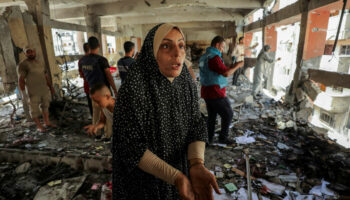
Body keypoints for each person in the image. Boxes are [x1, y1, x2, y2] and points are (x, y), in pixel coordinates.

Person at [112, 23, 220, 200]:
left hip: (179, 176)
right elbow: (131, 148)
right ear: (152, 51)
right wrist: (176, 177)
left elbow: (196, 122)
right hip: (143, 184)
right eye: (166, 46)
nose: (177, 53)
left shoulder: (185, 80)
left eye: (181, 45)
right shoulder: (135, 86)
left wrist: (196, 164)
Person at [199, 36, 244, 145]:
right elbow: (226, 73)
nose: (223, 49)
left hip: (206, 91)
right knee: (228, 113)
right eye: (223, 47)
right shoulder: (214, 57)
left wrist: (231, 66)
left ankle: (208, 139)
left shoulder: (204, 57)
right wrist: (237, 66)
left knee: (212, 116)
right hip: (215, 92)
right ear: (217, 45)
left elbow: (219, 69)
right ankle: (222, 138)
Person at [80, 36, 117, 137]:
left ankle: (97, 134)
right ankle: (107, 135)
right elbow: (109, 76)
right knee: (105, 113)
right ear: (99, 46)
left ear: (88, 46)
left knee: (96, 112)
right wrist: (114, 89)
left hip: (92, 90)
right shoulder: (101, 60)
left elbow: (82, 75)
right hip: (102, 91)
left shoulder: (82, 61)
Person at [17, 46, 56, 132]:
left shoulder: (40, 63)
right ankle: (39, 126)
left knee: (45, 106)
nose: (30, 53)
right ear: (25, 53)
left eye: (32, 51)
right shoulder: (23, 64)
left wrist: (50, 87)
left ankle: (47, 122)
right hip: (33, 91)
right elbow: (21, 80)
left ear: (34, 52)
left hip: (44, 89)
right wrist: (23, 93)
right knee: (34, 110)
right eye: (28, 52)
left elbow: (45, 76)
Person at [78, 43, 93, 116]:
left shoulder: (81, 61)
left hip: (87, 85)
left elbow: (81, 74)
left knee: (90, 104)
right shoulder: (94, 59)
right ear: (90, 49)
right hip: (96, 86)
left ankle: (93, 119)